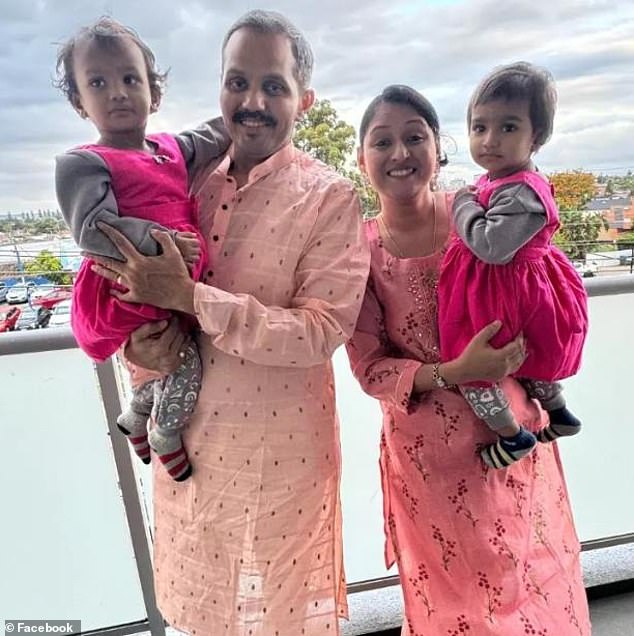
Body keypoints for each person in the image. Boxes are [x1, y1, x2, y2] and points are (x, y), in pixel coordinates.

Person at [85, 10, 370, 636]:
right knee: (202, 615)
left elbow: (321, 332)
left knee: (282, 621)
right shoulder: (183, 181)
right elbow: (131, 288)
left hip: (281, 462)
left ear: (305, 99)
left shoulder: (330, 198)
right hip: (190, 455)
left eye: (274, 85)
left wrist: (194, 299)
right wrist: (144, 354)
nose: (253, 101)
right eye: (237, 82)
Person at [347, 85, 590, 635]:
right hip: (430, 465)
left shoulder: (482, 215)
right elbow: (369, 369)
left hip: (514, 439)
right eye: (382, 141)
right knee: (456, 606)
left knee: (535, 581)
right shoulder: (355, 250)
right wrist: (456, 372)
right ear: (363, 159)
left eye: (415, 137)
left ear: (439, 146)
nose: (401, 153)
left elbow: (541, 283)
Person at [54, 17, 230, 481]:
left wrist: (245, 110)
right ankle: (163, 435)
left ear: (154, 93)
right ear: (79, 101)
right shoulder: (83, 163)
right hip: (126, 284)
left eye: (130, 79)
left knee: (176, 352)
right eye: (98, 82)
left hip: (166, 284)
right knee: (184, 362)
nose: (117, 92)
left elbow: (212, 136)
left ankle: (134, 415)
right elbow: (93, 228)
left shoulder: (169, 149)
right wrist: (165, 242)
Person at [438, 62, 588, 469]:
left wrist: (463, 204)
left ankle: (513, 437)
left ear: (535, 137)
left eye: (508, 127)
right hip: (511, 287)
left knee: (473, 366)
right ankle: (559, 414)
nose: (490, 140)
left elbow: (490, 246)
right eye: (479, 127)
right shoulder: (504, 179)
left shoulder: (521, 191)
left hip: (502, 291)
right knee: (526, 358)